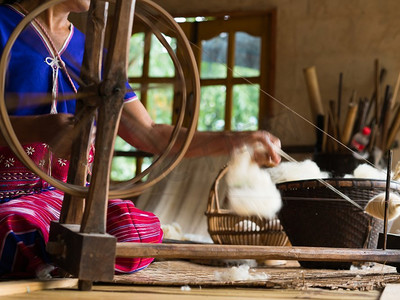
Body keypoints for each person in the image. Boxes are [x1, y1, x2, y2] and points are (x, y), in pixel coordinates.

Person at [0, 0, 281, 278]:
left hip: (70, 198)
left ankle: (56, 260)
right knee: (15, 229)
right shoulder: (4, 26)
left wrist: (234, 141)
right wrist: (39, 128)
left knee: (136, 229)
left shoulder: (93, 52)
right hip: (7, 197)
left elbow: (151, 134)